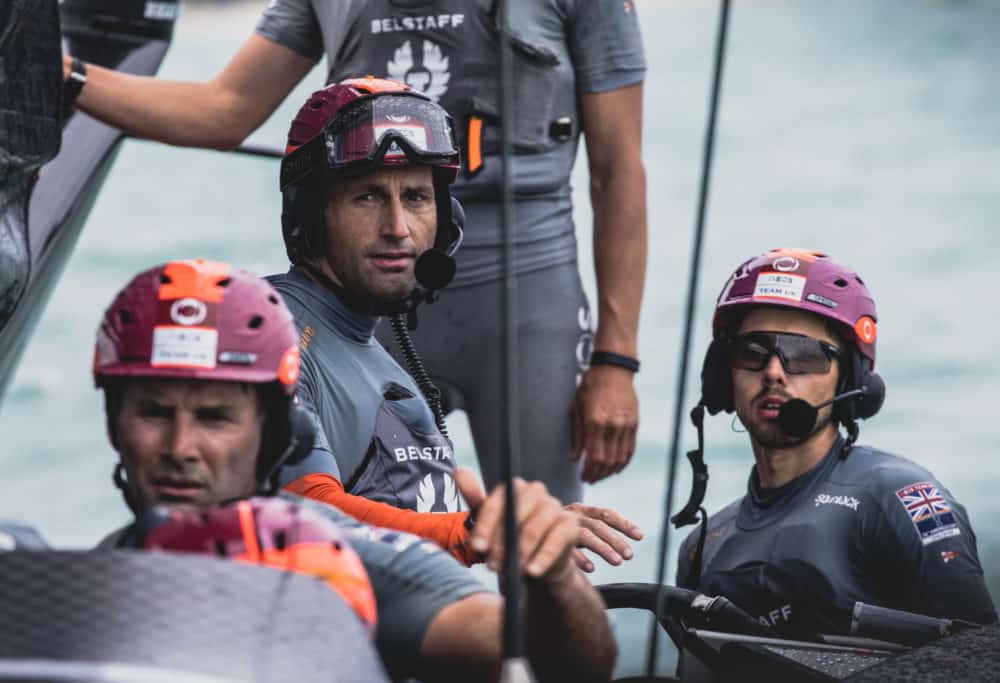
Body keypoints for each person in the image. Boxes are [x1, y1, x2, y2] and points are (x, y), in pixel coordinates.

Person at [62, 0, 647, 500]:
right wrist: (62, 74)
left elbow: (618, 171)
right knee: (356, 540)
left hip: (527, 305)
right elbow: (223, 111)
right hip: (364, 306)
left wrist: (616, 362)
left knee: (542, 553)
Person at [94, 258, 617, 681]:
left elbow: (567, 665)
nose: (181, 446)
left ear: (273, 434)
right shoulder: (90, 574)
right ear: (116, 424)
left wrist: (554, 584)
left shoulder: (330, 554)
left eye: (214, 418)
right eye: (154, 413)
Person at [268, 76, 641, 572]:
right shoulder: (275, 333)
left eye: (418, 198)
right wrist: (474, 534)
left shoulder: (374, 354)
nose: (398, 228)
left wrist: (512, 529)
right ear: (311, 217)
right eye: (368, 196)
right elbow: (302, 512)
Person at [675, 248, 996, 628]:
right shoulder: (701, 547)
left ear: (849, 380)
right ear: (721, 375)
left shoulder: (903, 498)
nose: (774, 371)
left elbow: (978, 657)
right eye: (754, 351)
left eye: (804, 354)